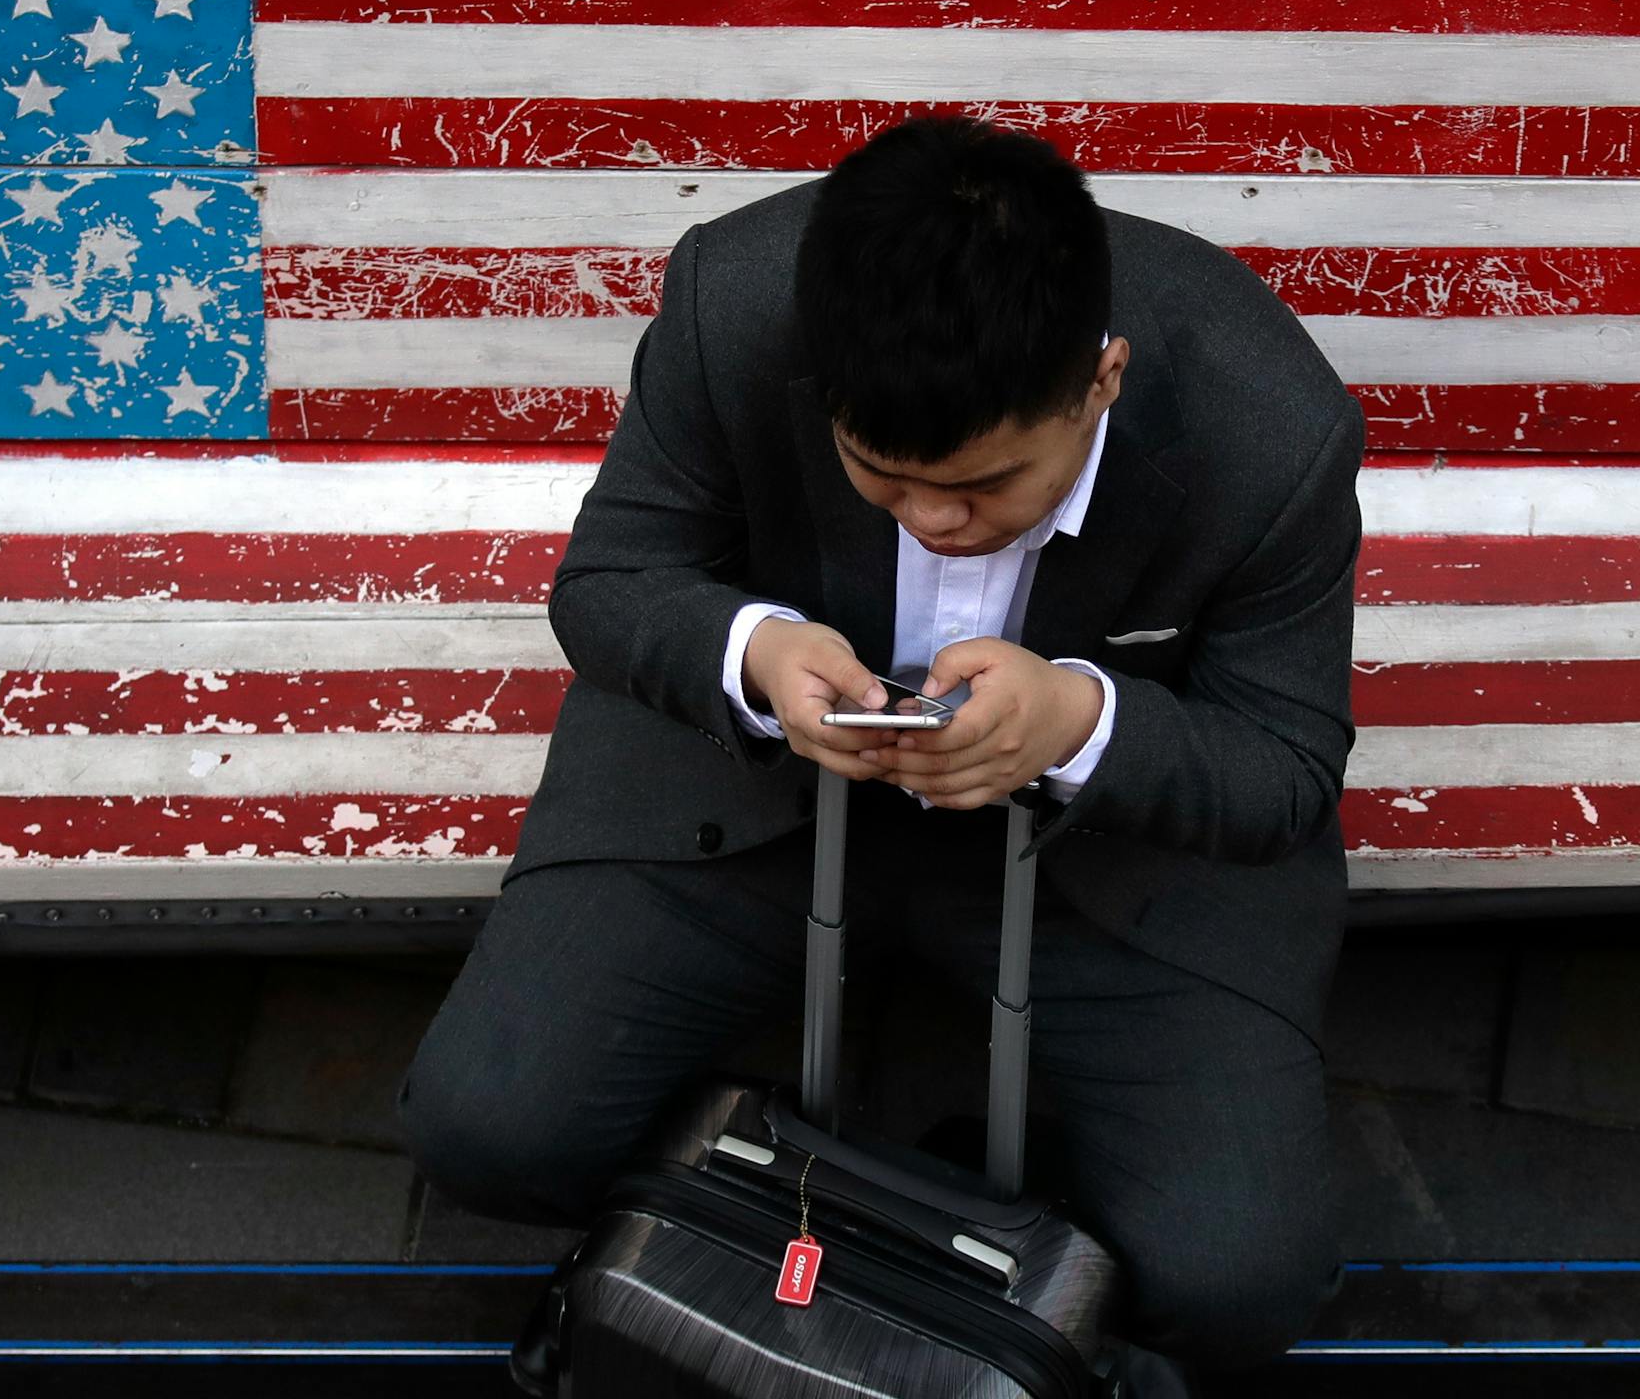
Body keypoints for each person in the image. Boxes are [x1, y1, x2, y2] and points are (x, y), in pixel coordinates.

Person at [396, 113, 1361, 1385]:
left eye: (988, 485)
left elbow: (1285, 767)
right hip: (757, 791)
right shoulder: (732, 300)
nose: (938, 521)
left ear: (1102, 379)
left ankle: (1010, 1296)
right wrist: (755, 654)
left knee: (1243, 1277)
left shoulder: (1271, 422)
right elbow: (615, 578)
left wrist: (1077, 722)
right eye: (884, 477)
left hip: (1106, 856)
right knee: (485, 1133)